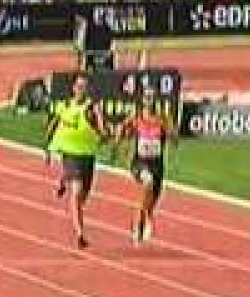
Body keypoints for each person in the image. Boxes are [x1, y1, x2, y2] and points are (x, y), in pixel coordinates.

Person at [44, 74, 109, 249]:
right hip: (70, 154)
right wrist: (48, 149)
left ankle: (64, 179)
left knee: (83, 197)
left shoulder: (92, 108)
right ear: (73, 89)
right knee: (77, 192)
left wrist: (103, 131)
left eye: (84, 87)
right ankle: (80, 234)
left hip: (87, 155)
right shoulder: (64, 106)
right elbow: (53, 125)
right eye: (78, 86)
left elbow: (103, 131)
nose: (81, 90)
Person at [116, 92, 177, 245]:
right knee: (147, 184)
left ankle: (146, 216)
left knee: (153, 199)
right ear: (142, 100)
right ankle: (139, 226)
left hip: (157, 164)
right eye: (146, 97)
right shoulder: (137, 117)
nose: (149, 100)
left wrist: (170, 129)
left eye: (151, 97)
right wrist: (119, 139)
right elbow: (122, 127)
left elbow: (174, 140)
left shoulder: (162, 119)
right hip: (139, 162)